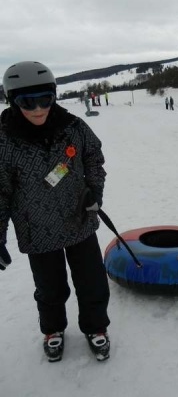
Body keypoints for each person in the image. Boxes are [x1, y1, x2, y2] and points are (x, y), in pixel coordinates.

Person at [0, 61, 111, 362]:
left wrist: (93, 191)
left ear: (54, 96)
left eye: (44, 99)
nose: (38, 109)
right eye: (27, 102)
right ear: (12, 101)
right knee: (49, 288)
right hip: (37, 229)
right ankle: (53, 329)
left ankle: (95, 325)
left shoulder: (73, 127)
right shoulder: (5, 140)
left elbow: (94, 159)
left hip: (79, 219)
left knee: (92, 281)